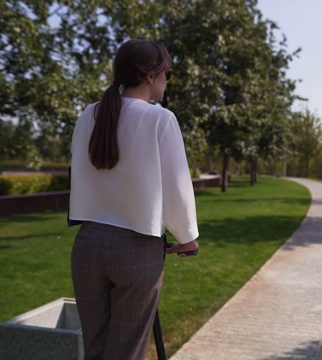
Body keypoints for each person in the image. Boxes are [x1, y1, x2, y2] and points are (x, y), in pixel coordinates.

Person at [68, 39, 199, 360]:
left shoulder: (89, 115)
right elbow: (177, 187)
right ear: (151, 75)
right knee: (125, 353)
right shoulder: (160, 119)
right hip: (136, 249)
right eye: (167, 72)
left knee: (95, 350)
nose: (169, 79)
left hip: (87, 246)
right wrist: (187, 238)